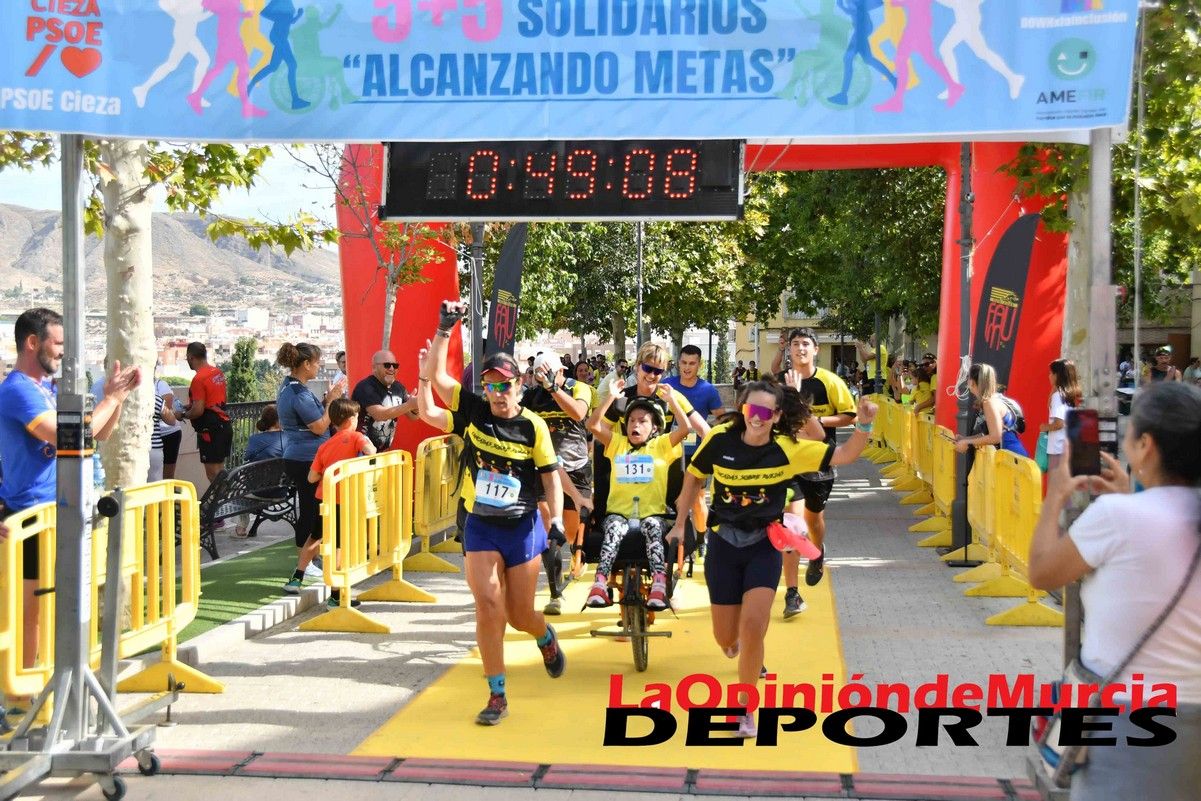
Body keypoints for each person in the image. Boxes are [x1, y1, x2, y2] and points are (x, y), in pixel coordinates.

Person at [668, 381, 877, 738]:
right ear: (743, 409)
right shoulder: (719, 439)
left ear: (777, 415)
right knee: (725, 637)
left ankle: (746, 710)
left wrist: (865, 423)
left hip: (764, 544)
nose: (758, 419)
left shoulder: (788, 448)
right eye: (752, 410)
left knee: (754, 626)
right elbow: (693, 477)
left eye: (767, 412)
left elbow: (844, 456)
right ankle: (731, 644)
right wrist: (678, 523)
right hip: (723, 543)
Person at [1028, 382, 1201, 801]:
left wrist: (1058, 495)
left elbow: (1042, 572)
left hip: (1126, 721)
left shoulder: (1117, 516)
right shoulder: (1134, 511)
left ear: (1145, 445)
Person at [417, 300, 566, 726]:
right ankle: (496, 693)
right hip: (481, 523)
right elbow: (439, 380)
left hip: (520, 527)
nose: (498, 394)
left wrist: (554, 521)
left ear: (519, 386)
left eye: (505, 386)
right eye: (492, 387)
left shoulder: (533, 426)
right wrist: (445, 328)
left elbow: (551, 479)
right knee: (487, 603)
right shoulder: (474, 411)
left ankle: (545, 636)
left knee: (520, 615)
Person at [0, 309, 140, 684]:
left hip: (60, 515)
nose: (63, 352)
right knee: (30, 611)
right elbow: (71, 440)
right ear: (33, 343)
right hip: (31, 517)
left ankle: (45, 683)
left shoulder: (47, 389)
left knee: (56, 607)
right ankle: (21, 694)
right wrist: (109, 398)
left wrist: (118, 398)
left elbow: (97, 436)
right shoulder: (16, 391)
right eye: (58, 343)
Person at [586, 382, 691, 610]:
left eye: (642, 421)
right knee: (613, 528)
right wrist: (610, 399)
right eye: (632, 421)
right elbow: (592, 425)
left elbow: (685, 428)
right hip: (619, 514)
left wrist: (673, 401)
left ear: (654, 428)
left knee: (653, 526)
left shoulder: (662, 445)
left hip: (653, 514)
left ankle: (659, 585)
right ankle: (600, 584)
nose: (635, 425)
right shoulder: (617, 444)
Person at [775, 328, 858, 617]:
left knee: (813, 521)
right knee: (790, 524)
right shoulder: (780, 382)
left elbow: (850, 415)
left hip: (820, 460)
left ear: (815, 350)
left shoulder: (830, 381)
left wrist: (817, 420)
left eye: (805, 344)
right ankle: (792, 594)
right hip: (787, 463)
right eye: (795, 344)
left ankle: (818, 551)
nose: (799, 349)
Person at [521, 351, 594, 613]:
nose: (554, 378)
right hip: (546, 471)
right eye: (546, 377)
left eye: (557, 374)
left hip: (577, 469)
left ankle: (578, 554)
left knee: (572, 532)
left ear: (562, 372)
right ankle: (555, 592)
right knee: (552, 531)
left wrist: (554, 390)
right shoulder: (532, 397)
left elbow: (578, 414)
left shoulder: (579, 388)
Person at [277, 342, 345, 594]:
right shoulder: (298, 393)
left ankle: (309, 560)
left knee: (311, 509)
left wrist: (327, 399)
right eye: (317, 362)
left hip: (301, 456)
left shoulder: (292, 388)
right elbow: (318, 426)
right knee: (309, 511)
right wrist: (332, 402)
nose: (319, 366)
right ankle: (306, 561)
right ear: (306, 364)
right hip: (306, 458)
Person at [308, 397, 376, 608]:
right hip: (347, 500)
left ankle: (334, 592)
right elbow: (370, 451)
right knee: (341, 547)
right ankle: (336, 596)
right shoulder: (357, 436)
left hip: (326, 500)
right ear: (352, 418)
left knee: (326, 542)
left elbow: (311, 477)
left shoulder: (325, 445)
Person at [663, 344, 726, 558]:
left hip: (697, 456)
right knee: (670, 499)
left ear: (699, 364)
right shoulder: (666, 385)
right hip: (669, 453)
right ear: (677, 363)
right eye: (683, 363)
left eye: (692, 363)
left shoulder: (708, 390)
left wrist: (713, 436)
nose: (687, 368)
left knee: (697, 500)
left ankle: (701, 538)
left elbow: (721, 417)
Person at [179, 342, 233, 483]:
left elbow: (198, 411)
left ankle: (219, 503)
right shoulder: (217, 373)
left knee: (212, 474)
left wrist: (183, 414)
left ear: (191, 357)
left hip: (210, 430)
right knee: (220, 471)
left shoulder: (199, 379)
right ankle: (225, 501)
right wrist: (190, 406)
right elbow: (213, 400)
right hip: (224, 425)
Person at [954, 362, 1028, 457]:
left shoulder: (988, 402)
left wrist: (967, 441)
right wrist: (965, 439)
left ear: (972, 382)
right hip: (1011, 456)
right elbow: (988, 434)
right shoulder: (993, 399)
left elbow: (995, 437)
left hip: (1010, 458)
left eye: (968, 377)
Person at [351, 350, 417, 452]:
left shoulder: (398, 388)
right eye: (387, 365)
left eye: (395, 366)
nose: (391, 368)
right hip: (362, 452)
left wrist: (415, 408)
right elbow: (379, 414)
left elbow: (413, 416)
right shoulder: (365, 387)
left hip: (383, 452)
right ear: (374, 368)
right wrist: (409, 405)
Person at [235, 403, 284, 538]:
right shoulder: (289, 439)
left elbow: (247, 457)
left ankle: (242, 525)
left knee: (238, 488)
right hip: (281, 490)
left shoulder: (255, 439)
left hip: (258, 491)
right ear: (279, 421)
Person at [1038, 359, 1081, 486]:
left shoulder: (1058, 396)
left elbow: (1059, 423)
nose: (1049, 376)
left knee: (1055, 488)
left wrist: (1044, 427)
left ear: (1058, 375)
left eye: (1051, 373)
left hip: (1057, 448)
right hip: (1066, 446)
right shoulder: (1068, 395)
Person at [147, 388, 177, 482]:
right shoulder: (154, 399)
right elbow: (172, 421)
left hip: (129, 449)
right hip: (153, 448)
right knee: (155, 485)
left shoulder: (120, 397)